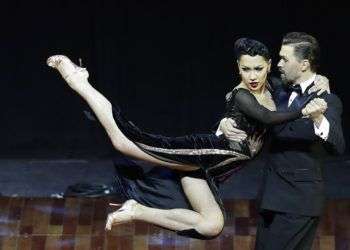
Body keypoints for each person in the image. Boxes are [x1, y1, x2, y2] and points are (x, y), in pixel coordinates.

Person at [46, 38, 327, 239]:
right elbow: (266, 118)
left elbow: (294, 86)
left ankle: (137, 211)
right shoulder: (241, 95)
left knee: (211, 226)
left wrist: (321, 81)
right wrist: (305, 109)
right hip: (203, 153)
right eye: (245, 69)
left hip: (208, 173)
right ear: (238, 69)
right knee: (125, 141)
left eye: (258, 68)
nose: (252, 76)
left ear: (268, 65)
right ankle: (78, 81)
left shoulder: (274, 86)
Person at [221, 33, 345, 249]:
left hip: (299, 202)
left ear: (304, 64)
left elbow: (338, 146)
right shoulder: (276, 89)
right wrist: (223, 122)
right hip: (271, 197)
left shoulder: (327, 99)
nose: (278, 64)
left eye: (284, 59)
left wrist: (318, 118)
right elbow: (243, 97)